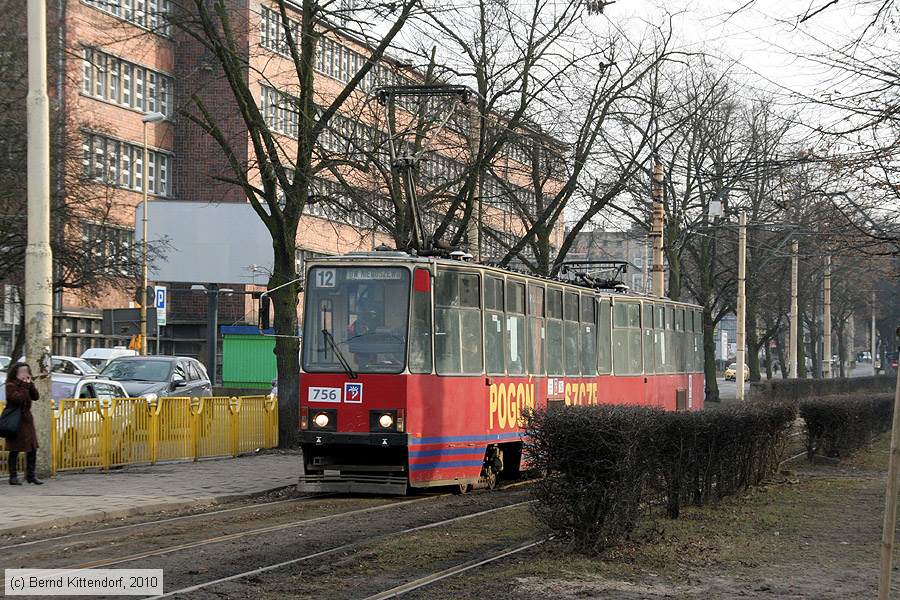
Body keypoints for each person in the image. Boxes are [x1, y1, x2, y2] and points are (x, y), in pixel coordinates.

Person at [4, 362, 43, 485]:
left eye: (26, 371)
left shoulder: (27, 384)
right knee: (14, 449)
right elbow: (17, 399)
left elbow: (35, 397)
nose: (24, 374)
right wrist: (24, 386)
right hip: (16, 420)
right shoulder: (10, 385)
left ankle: (31, 475)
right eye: (22, 372)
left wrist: (31, 385)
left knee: (32, 448)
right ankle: (13, 476)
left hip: (27, 419)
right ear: (16, 373)